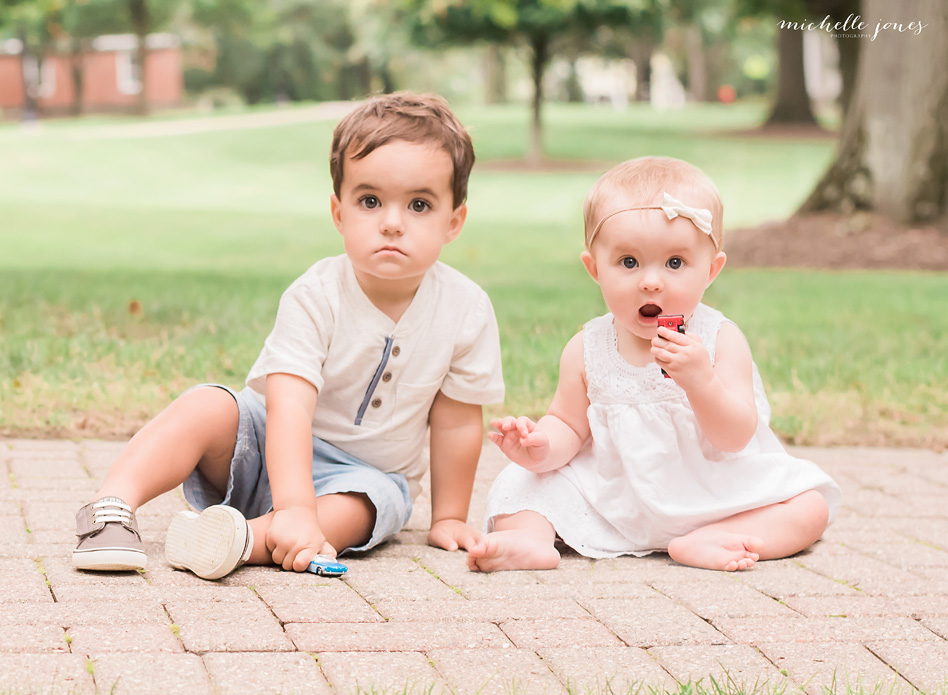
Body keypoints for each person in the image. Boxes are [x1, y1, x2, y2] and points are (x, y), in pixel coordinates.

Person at [73, 92, 504, 579]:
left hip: (363, 478)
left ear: (454, 221)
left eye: (419, 205)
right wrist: (296, 504)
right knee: (206, 404)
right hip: (266, 445)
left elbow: (457, 423)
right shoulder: (316, 294)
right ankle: (110, 508)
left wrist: (448, 516)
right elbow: (289, 406)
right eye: (369, 201)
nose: (391, 223)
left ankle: (238, 539)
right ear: (339, 213)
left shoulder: (466, 310)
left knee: (368, 504)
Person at [468, 156, 840, 573]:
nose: (651, 281)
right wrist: (540, 447)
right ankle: (527, 541)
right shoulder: (587, 347)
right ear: (594, 269)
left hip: (715, 496)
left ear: (711, 270)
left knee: (810, 507)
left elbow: (735, 437)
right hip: (619, 498)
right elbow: (569, 424)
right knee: (519, 483)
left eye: (675, 263)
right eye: (629, 263)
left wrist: (701, 381)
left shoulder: (720, 340)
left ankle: (712, 539)